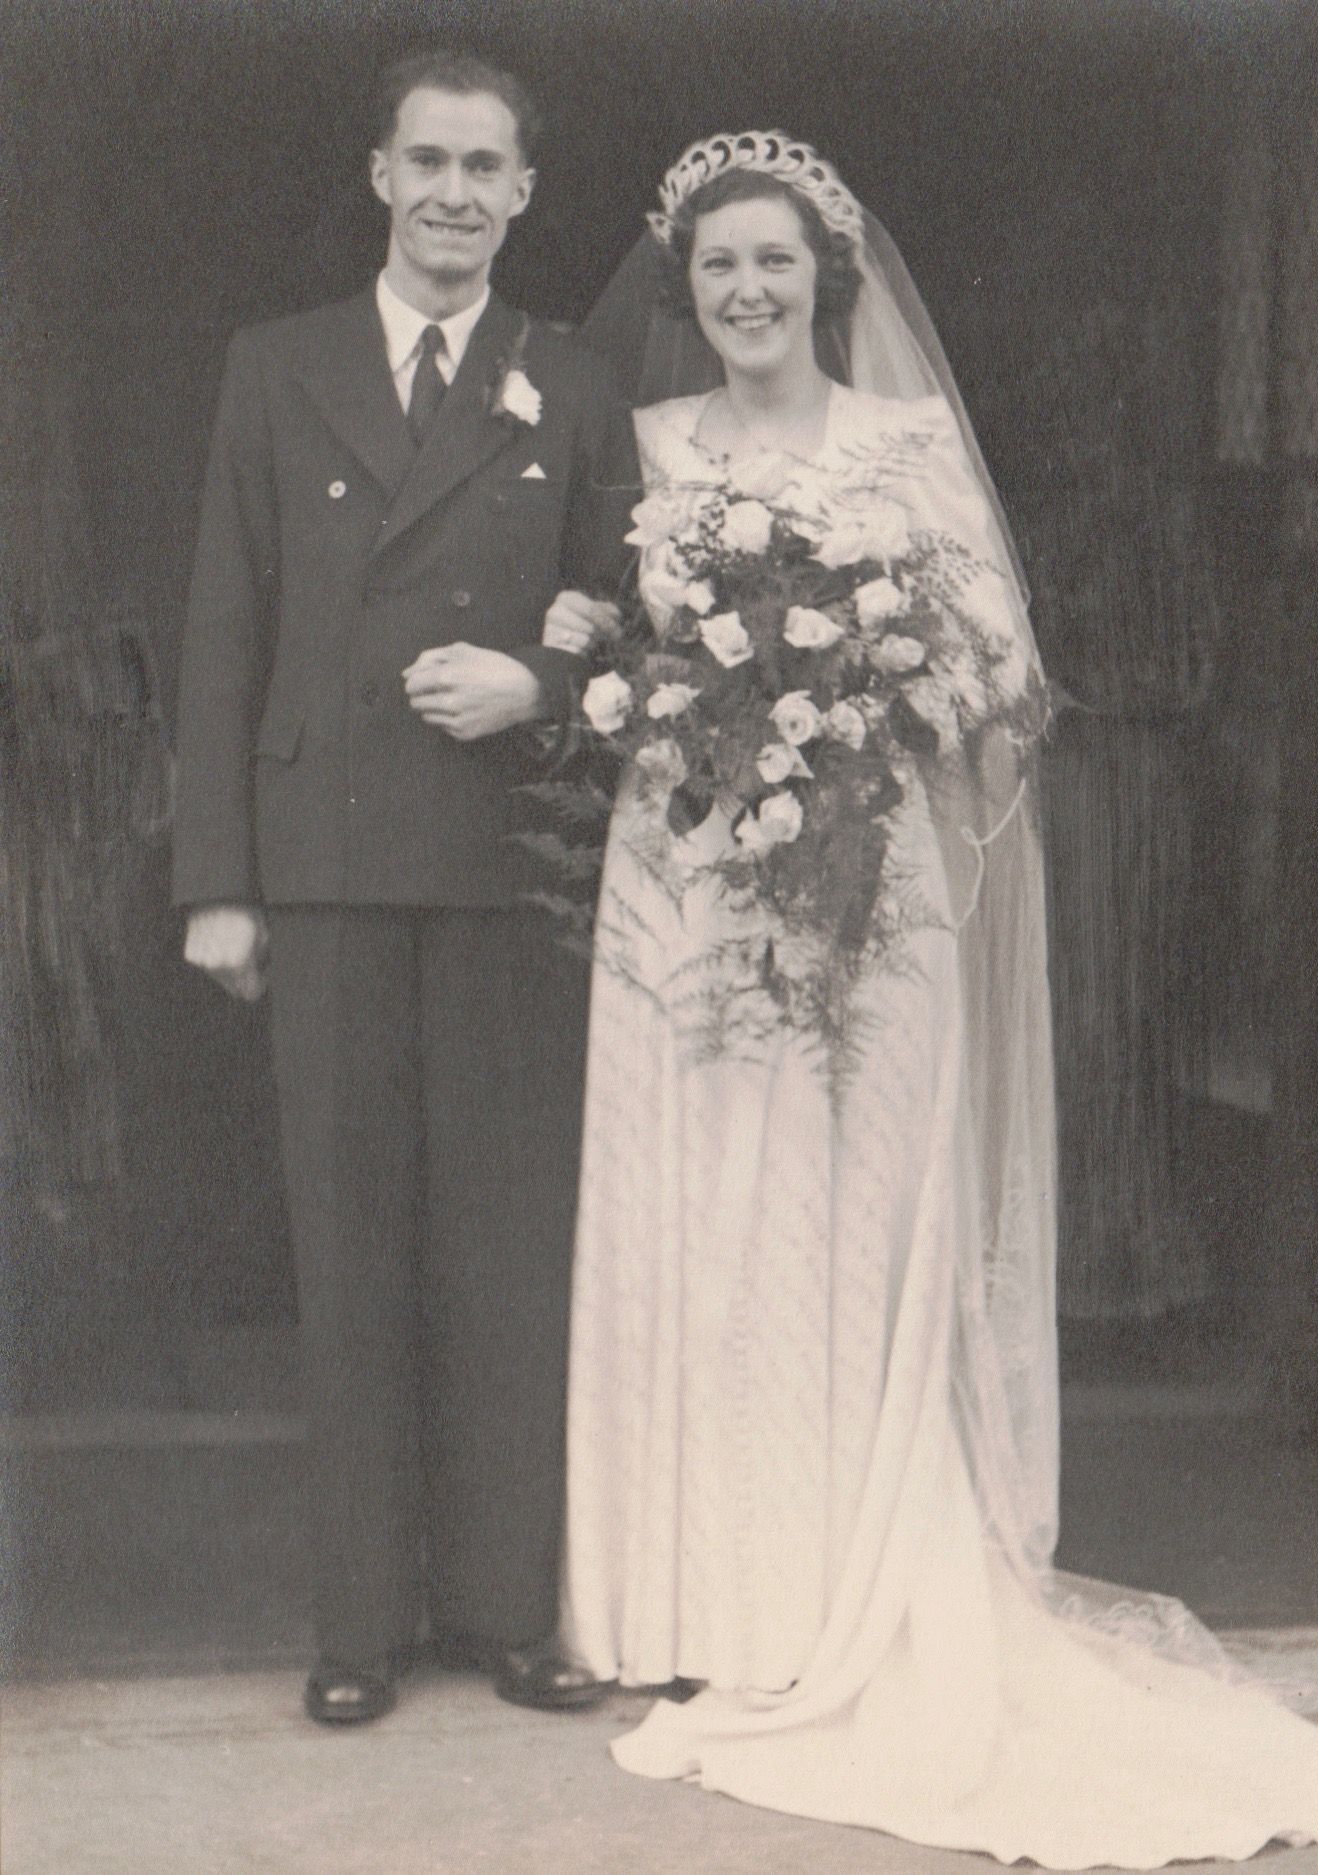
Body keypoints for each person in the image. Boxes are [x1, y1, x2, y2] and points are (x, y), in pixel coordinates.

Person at [544, 133, 1318, 1864]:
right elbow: (618, 660)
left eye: (773, 265)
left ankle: (845, 1582)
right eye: (717, 272)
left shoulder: (905, 449)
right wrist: (702, 711)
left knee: (849, 1215)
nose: (746, 293)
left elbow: (998, 687)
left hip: (869, 884)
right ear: (686, 294)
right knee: (708, 1217)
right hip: (688, 876)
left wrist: (849, 697)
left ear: (824, 284)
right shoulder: (655, 447)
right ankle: (710, 1597)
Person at [171, 51, 632, 1726]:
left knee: (504, 1244)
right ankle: (361, 1625)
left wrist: (542, 688)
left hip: (509, 866)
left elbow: (639, 621)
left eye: (484, 167)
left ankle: (507, 1607)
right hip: (334, 865)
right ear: (379, 175)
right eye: (425, 161)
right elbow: (228, 624)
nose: (452, 192)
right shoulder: (274, 366)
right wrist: (218, 880)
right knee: (352, 1244)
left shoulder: (571, 383)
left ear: (525, 193)